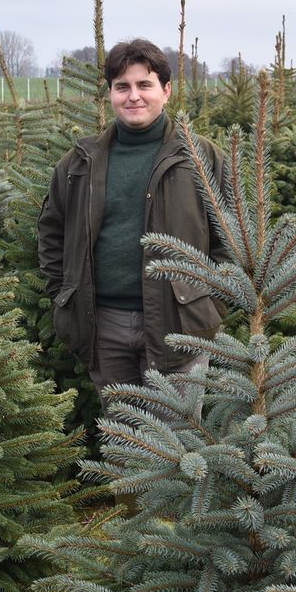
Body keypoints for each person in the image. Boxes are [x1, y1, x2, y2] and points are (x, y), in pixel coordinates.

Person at [37, 38, 225, 402]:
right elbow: (52, 233)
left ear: (166, 91)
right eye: (122, 87)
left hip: (180, 324)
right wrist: (64, 295)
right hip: (103, 326)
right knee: (123, 445)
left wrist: (208, 303)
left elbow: (230, 238)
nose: (133, 96)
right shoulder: (79, 162)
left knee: (177, 447)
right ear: (110, 93)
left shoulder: (201, 158)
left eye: (145, 85)